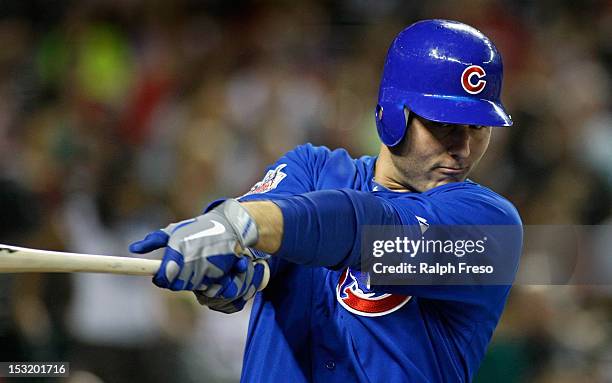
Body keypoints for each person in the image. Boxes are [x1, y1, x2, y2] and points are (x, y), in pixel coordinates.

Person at [130, 19, 523, 382]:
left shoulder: (492, 227)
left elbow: (361, 227)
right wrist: (231, 270)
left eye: (477, 127)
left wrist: (240, 226)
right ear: (392, 114)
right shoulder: (311, 169)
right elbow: (261, 241)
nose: (464, 149)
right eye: (444, 126)